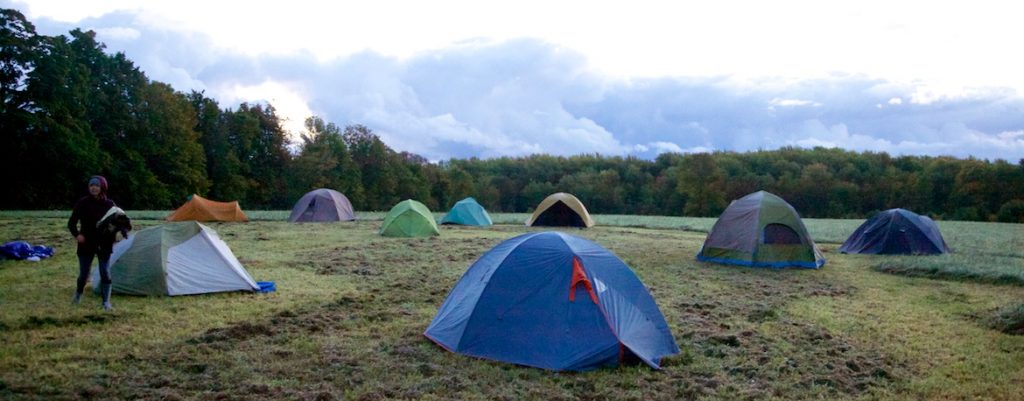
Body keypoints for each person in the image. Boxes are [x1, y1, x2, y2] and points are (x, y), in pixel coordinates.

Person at [67, 176, 130, 310]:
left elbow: (121, 222)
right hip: (86, 243)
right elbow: (71, 223)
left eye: (96, 185)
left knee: (105, 272)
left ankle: (106, 302)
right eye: (91, 185)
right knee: (84, 274)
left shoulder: (110, 205)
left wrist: (123, 231)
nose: (93, 188)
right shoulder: (82, 203)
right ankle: (78, 295)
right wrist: (77, 235)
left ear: (102, 187)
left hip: (104, 243)